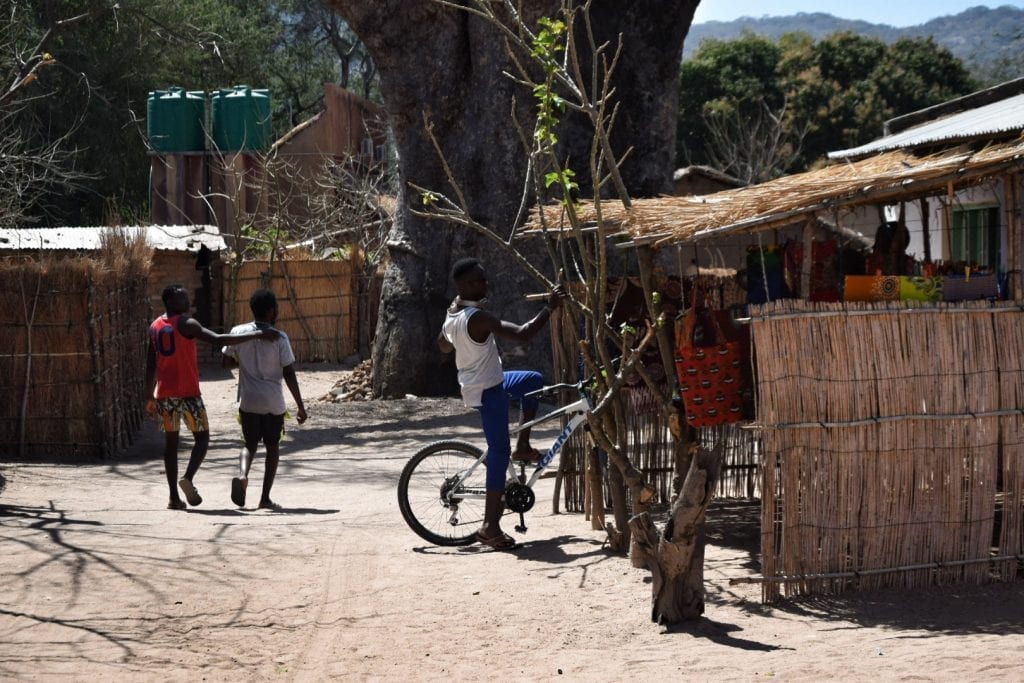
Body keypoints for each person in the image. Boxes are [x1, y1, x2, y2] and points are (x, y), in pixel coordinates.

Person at [437, 257, 565, 550]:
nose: (486, 284)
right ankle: (490, 527)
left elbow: (442, 345)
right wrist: (550, 307)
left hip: (488, 379)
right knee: (498, 453)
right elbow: (523, 334)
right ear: (467, 285)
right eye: (480, 280)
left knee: (532, 380)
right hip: (487, 390)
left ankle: (523, 445)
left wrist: (461, 343)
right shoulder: (477, 318)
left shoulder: (452, 313)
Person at [146, 284, 280, 510]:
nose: (188, 299)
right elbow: (218, 339)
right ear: (170, 301)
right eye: (182, 296)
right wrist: (258, 333)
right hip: (189, 394)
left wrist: (148, 395)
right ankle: (187, 477)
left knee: (170, 445)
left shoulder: (154, 326)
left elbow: (151, 364)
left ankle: (173, 498)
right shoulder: (187, 323)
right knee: (202, 438)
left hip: (165, 394)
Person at [221, 288, 307, 511]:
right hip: (273, 403)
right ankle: (265, 498)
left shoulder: (238, 332)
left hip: (248, 401)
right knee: (272, 447)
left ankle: (242, 475)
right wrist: (300, 405)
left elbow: (226, 362)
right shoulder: (280, 338)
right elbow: (288, 372)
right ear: (270, 311)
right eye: (276, 307)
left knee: (248, 445)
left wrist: (245, 362)